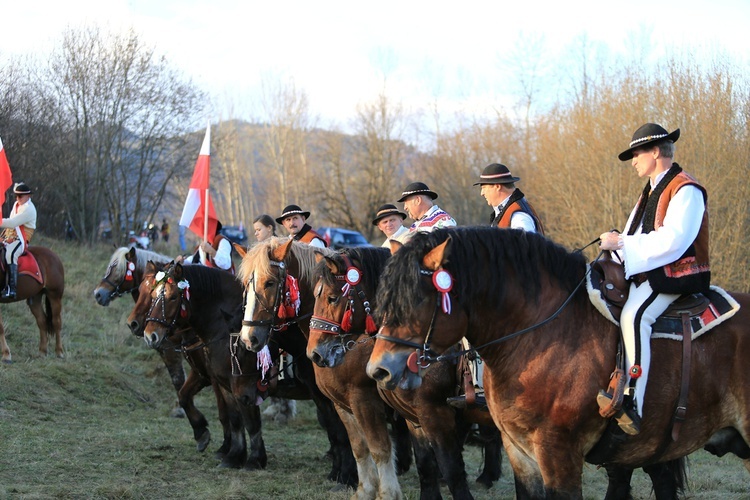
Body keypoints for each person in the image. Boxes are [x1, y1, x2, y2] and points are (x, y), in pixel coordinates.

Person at [597, 123, 710, 436]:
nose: (633, 160)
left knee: (635, 316)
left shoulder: (686, 189)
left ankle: (633, 402)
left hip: (678, 274)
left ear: (657, 151)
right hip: (653, 271)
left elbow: (675, 240)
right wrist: (614, 253)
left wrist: (621, 243)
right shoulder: (651, 189)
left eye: (637, 153)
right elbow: (634, 234)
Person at [475, 163, 544, 234]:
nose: (482, 193)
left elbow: (526, 243)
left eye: (484, 188)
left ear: (497, 186)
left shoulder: (518, 216)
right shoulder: (509, 211)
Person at [0, 182, 37, 299]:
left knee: (10, 254)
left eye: (20, 196)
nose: (17, 198)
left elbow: (13, 223)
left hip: (21, 239)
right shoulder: (17, 205)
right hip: (10, 235)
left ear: (28, 196)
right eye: (16, 196)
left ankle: (12, 289)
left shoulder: (29, 209)